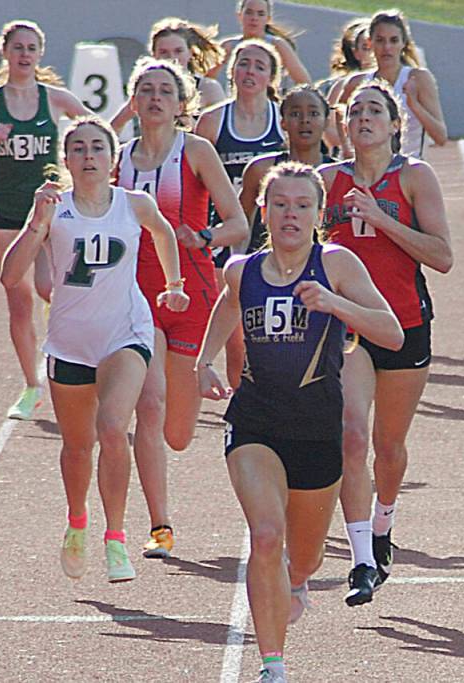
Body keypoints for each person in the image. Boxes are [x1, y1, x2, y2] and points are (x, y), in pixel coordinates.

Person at [196, 162, 402, 683]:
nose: (291, 214)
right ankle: (272, 666)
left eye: (302, 205)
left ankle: (297, 581)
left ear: (317, 213)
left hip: (316, 434)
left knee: (303, 560)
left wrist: (333, 303)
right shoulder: (243, 270)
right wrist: (204, 362)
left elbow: (392, 333)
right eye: (281, 204)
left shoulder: (336, 264)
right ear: (264, 210)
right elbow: (227, 305)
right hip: (255, 424)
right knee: (266, 534)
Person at [0, 115, 189, 583]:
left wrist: (173, 284)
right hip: (70, 342)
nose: (88, 157)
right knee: (78, 447)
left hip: (125, 334)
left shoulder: (134, 204)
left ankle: (117, 538)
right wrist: (35, 226)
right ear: (66, 160)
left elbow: (164, 233)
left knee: (111, 427)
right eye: (79, 149)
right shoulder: (53, 209)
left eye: (97, 149)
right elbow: (9, 275)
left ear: (113, 159)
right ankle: (77, 520)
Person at [319, 80, 453, 606]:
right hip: (349, 330)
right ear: (345, 126)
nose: (364, 117)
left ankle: (383, 524)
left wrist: (378, 218)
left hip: (404, 324)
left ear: (396, 124)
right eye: (355, 111)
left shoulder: (414, 177)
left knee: (388, 449)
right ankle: (361, 561)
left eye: (375, 109)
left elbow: (442, 256)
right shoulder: (326, 181)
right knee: (351, 435)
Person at [114, 57, 248, 559]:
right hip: (138, 299)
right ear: (133, 100)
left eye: (164, 91)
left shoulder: (195, 152)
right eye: (145, 89)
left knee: (178, 433)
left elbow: (238, 223)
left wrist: (206, 235)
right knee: (148, 408)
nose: (153, 98)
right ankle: (160, 526)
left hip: (191, 298)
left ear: (180, 104)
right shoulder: (118, 159)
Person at [0, 19, 89, 420]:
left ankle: (73, 366)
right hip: (8, 210)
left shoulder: (57, 99)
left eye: (32, 48)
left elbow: (97, 130)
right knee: (18, 298)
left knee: (50, 287)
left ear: (40, 54)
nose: (25, 55)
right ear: (5, 53)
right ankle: (32, 386)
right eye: (18, 48)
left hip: (49, 205)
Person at [196, 39, 286, 387]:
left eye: (260, 66)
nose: (250, 71)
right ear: (232, 70)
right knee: (237, 335)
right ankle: (241, 403)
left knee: (269, 332)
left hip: (271, 235)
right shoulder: (213, 121)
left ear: (271, 78)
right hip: (227, 236)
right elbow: (193, 177)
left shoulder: (284, 122)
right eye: (244, 63)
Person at [334, 9, 447, 159]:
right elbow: (339, 112)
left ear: (403, 43)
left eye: (393, 40)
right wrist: (347, 148)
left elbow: (440, 137)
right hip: (368, 171)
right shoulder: (357, 83)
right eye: (380, 40)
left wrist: (413, 104)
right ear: (370, 43)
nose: (387, 47)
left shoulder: (418, 79)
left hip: (407, 170)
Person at [238, 85, 335, 257]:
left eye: (314, 114)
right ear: (282, 122)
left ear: (326, 121)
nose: (305, 120)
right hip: (267, 265)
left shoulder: (336, 174)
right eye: (295, 114)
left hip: (323, 267)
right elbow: (238, 223)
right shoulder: (260, 169)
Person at [109, 17, 227, 135]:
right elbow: (114, 127)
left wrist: (191, 126)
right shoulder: (148, 90)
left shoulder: (207, 88)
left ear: (190, 53)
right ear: (154, 55)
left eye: (178, 51)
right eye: (164, 52)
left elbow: (221, 135)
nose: (172, 58)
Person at [209, 0, 311, 86]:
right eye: (249, 12)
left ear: (268, 19)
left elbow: (304, 82)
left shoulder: (278, 45)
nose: (254, 18)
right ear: (239, 15)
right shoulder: (228, 46)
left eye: (260, 14)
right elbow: (206, 80)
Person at [322, 18, 375, 152]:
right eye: (365, 48)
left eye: (375, 47)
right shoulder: (342, 86)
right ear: (355, 52)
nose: (372, 54)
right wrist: (349, 146)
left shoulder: (399, 83)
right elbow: (327, 125)